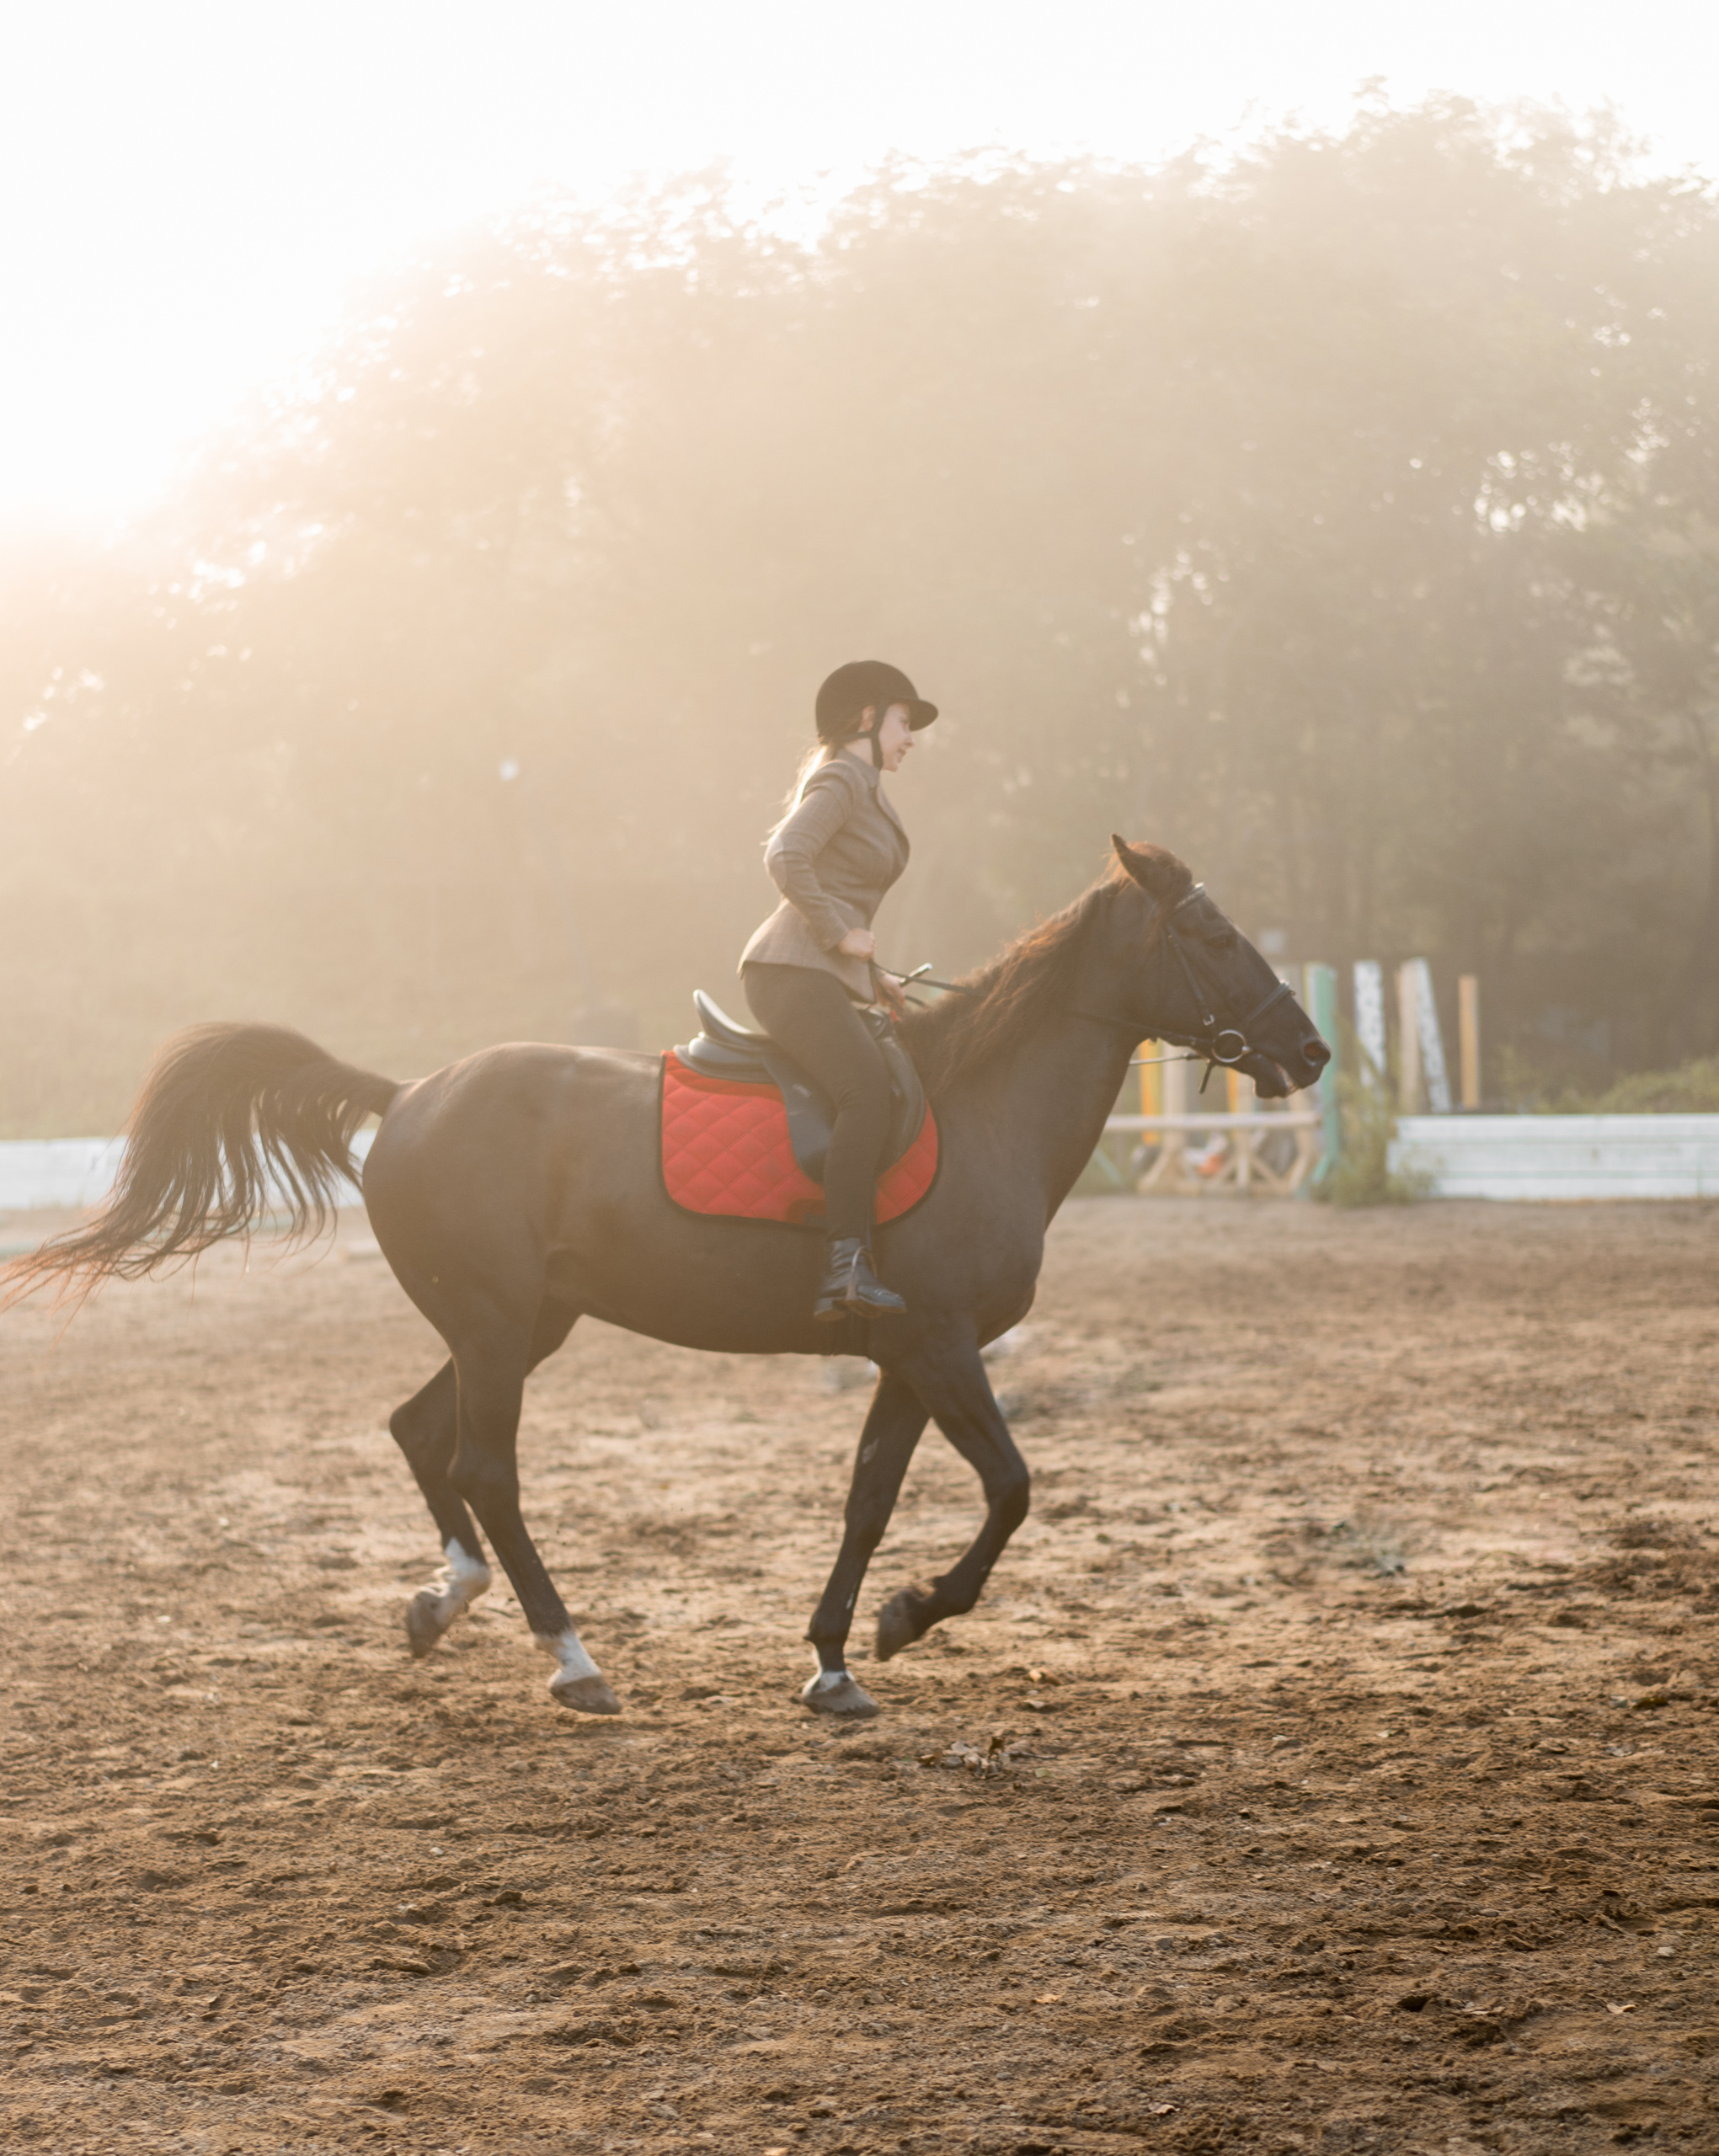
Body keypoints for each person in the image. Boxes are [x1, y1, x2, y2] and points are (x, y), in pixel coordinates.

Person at [739, 659, 937, 1321]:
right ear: (866, 718)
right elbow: (785, 855)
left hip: (817, 969)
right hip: (789, 969)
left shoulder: (863, 784)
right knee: (864, 1092)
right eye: (904, 723)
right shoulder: (843, 776)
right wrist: (840, 937)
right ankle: (844, 1267)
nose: (910, 738)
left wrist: (869, 973)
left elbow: (839, 889)